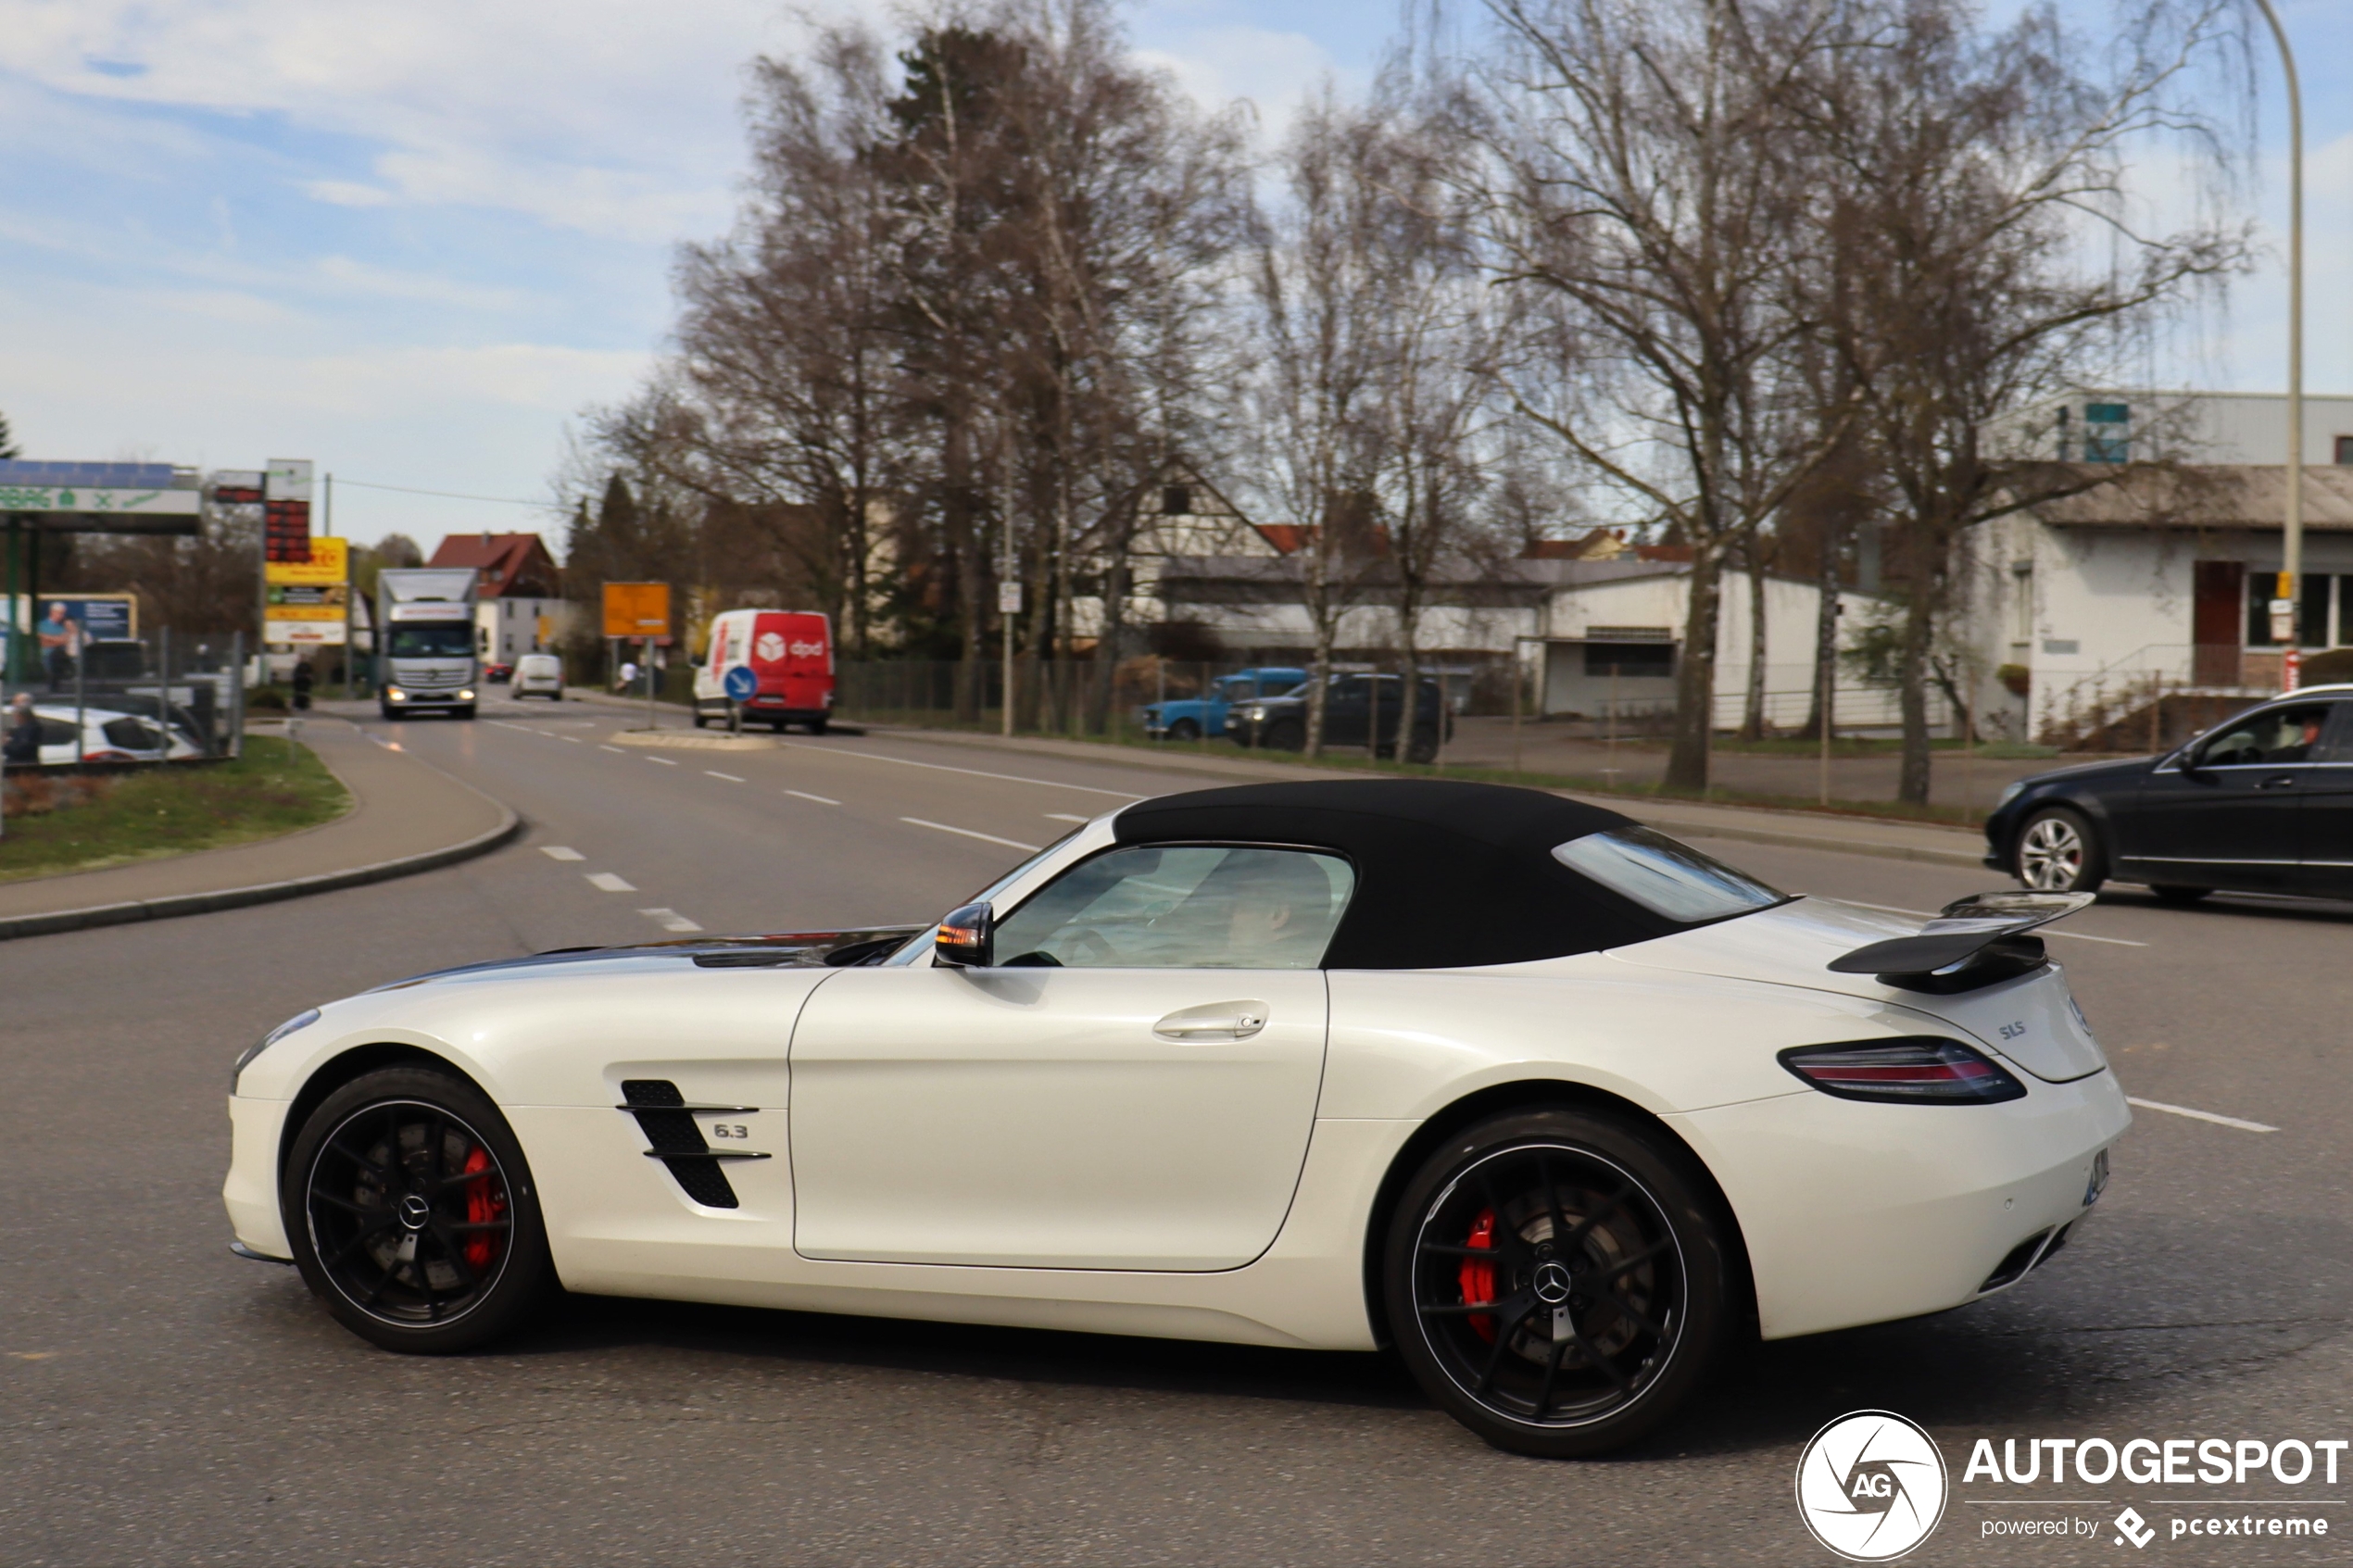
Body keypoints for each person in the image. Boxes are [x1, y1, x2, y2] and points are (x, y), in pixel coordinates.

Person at [37, 603, 80, 693]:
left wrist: (48, 638)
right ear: (52, 612)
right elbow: (42, 642)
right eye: (59, 613)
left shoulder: (63, 626)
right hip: (47, 654)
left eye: (63, 613)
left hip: (62, 654)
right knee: (52, 662)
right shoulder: (42, 625)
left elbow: (66, 640)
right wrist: (58, 639)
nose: (61, 616)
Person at [3, 693, 38, 765]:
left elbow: (21, 749)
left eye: (16, 703)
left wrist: (5, 744)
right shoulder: (18, 727)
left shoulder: (31, 728)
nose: (13, 705)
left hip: (22, 766)